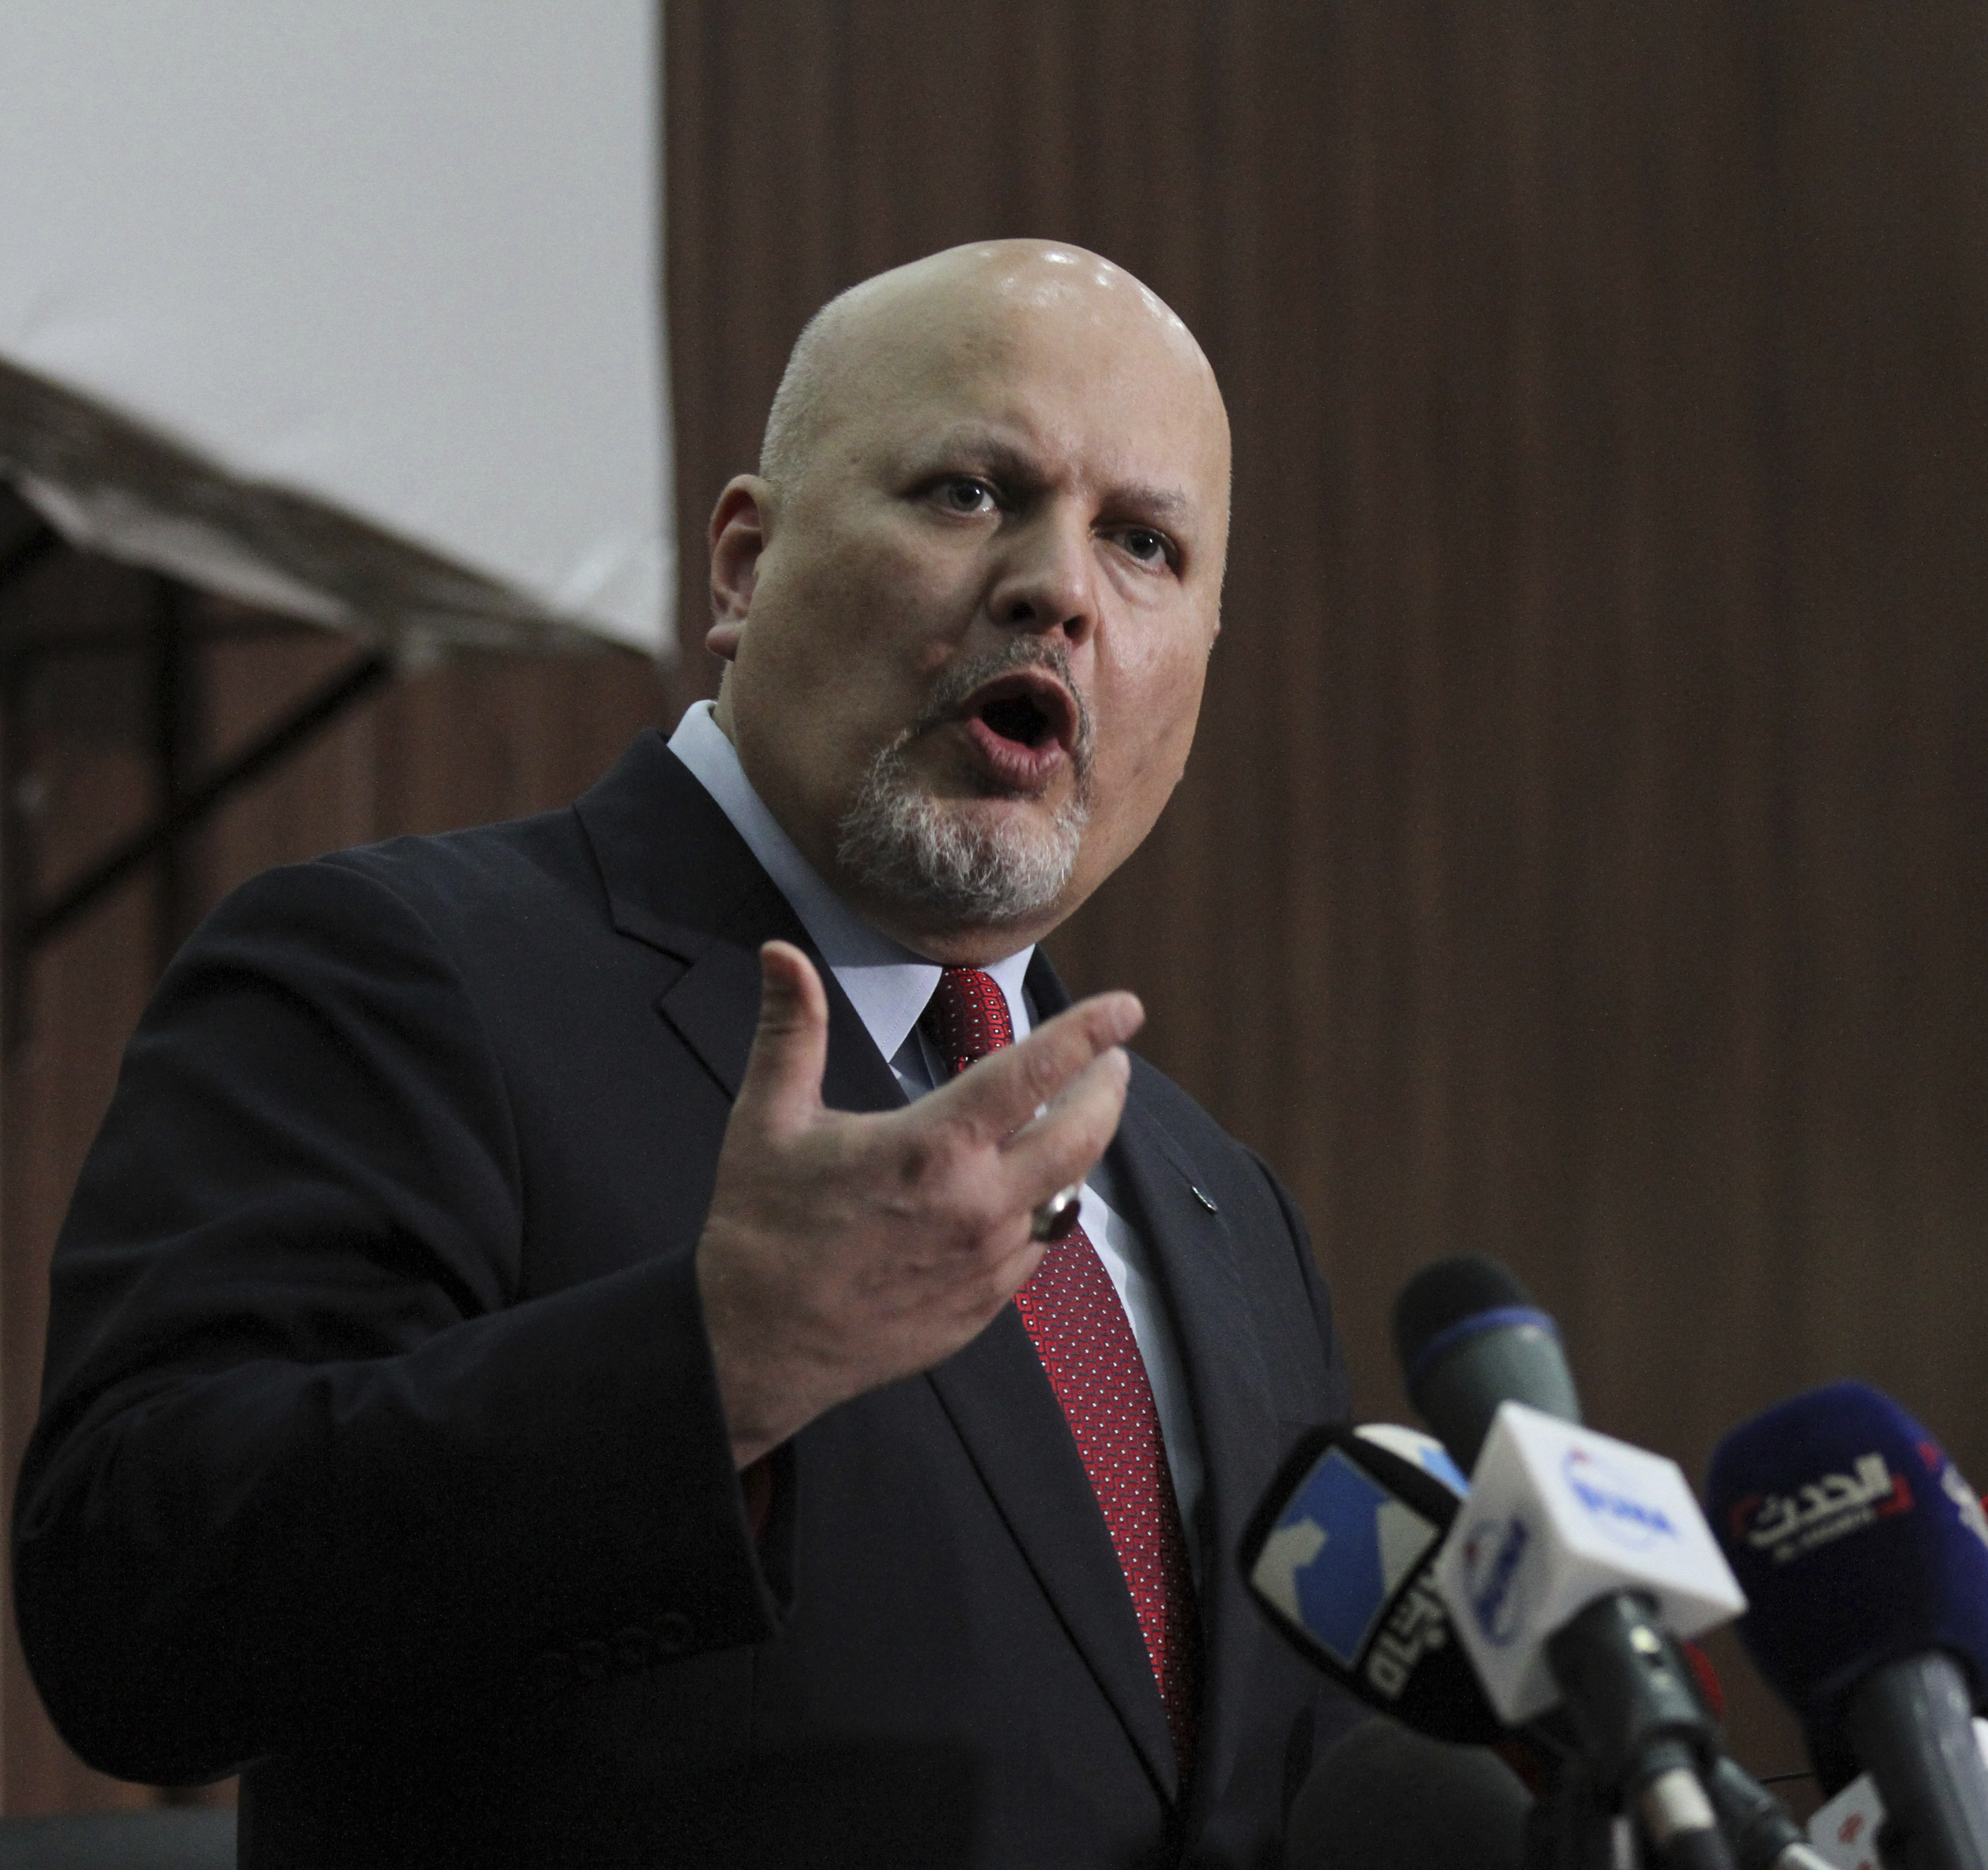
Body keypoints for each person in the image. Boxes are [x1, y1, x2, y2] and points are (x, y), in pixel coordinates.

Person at [15, 242, 1359, 1868]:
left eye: (1144, 545)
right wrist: (709, 1373)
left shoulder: (1231, 1217)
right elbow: (132, 1610)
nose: (1059, 588)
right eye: (964, 492)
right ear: (744, 565)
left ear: (1201, 661)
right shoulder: (406, 977)